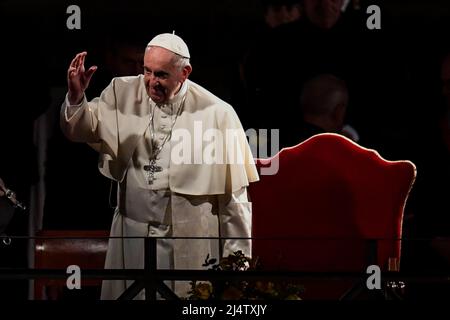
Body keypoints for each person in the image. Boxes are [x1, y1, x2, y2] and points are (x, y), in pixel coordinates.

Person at [61, 33, 259, 300]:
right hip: (132, 238)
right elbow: (82, 129)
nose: (152, 82)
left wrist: (238, 272)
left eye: (162, 75)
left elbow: (234, 203)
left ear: (184, 72)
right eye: (147, 71)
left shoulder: (218, 114)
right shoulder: (122, 92)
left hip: (189, 240)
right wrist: (76, 97)